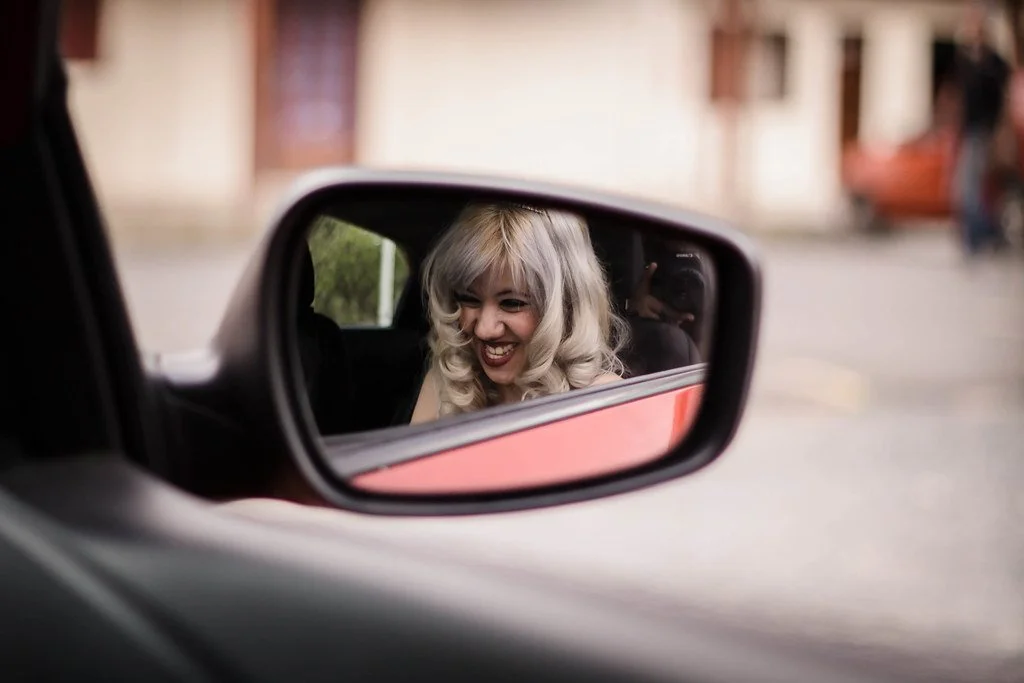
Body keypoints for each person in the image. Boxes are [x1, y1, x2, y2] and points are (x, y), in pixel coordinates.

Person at [409, 202, 627, 423]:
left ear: (566, 305)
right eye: (469, 299)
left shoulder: (604, 402)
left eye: (512, 303)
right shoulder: (444, 387)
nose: (485, 330)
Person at [952, 1, 1011, 256]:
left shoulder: (994, 62)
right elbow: (958, 96)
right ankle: (976, 237)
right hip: (967, 130)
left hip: (985, 131)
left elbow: (1002, 101)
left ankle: (982, 237)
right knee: (965, 187)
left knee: (974, 187)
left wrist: (1000, 133)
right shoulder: (965, 58)